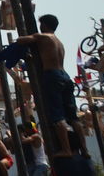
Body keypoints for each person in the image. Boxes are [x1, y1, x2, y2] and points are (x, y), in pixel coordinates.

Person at [18, 14, 88, 160]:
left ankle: (66, 149)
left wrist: (31, 37)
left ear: (44, 25)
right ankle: (84, 148)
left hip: (52, 76)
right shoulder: (59, 42)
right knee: (73, 117)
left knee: (57, 117)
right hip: (65, 76)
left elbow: (21, 40)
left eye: (41, 24)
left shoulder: (43, 37)